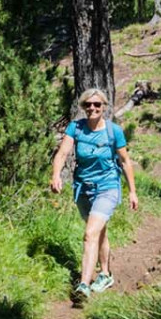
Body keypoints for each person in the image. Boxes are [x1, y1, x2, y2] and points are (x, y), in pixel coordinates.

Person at [49, 87, 139, 303]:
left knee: (90, 233)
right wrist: (56, 175)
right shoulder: (76, 128)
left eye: (97, 104)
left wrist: (132, 192)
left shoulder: (113, 131)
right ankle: (106, 274)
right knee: (98, 230)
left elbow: (125, 162)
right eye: (88, 104)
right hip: (83, 188)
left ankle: (83, 285)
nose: (92, 108)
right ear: (83, 107)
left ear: (104, 107)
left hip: (107, 187)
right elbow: (62, 154)